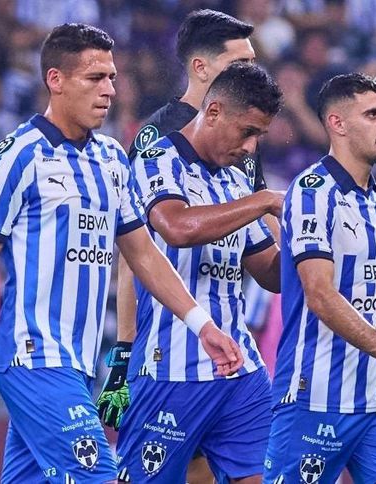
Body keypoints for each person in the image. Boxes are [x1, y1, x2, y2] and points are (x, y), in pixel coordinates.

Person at [0, 24, 242, 484]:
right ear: (55, 80)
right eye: (95, 78)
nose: (109, 90)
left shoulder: (110, 157)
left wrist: (202, 326)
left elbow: (144, 255)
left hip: (81, 362)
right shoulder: (19, 154)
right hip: (34, 357)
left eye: (111, 77)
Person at [104, 10, 264, 482]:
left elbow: (253, 230)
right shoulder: (158, 139)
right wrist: (125, 350)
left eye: (253, 62)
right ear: (201, 68)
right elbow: (135, 251)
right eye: (239, 64)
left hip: (229, 345)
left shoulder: (242, 135)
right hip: (169, 354)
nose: (252, 72)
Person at [263, 73, 376, 483]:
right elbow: (319, 294)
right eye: (373, 114)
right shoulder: (311, 193)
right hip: (315, 397)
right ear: (338, 124)